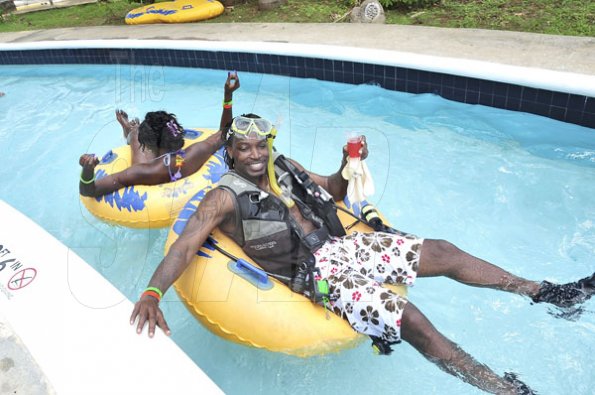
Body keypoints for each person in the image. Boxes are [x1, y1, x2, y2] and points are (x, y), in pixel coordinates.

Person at [130, 114, 595, 394]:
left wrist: (348, 162)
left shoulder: (283, 166)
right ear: (230, 153)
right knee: (408, 317)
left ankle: (547, 293)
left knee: (443, 251)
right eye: (244, 147)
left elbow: (332, 190)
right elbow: (186, 247)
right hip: (316, 274)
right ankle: (501, 387)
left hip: (345, 243)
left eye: (260, 145)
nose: (254, 154)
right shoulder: (222, 198)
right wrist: (152, 292)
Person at [79, 72, 240, 197]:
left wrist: (87, 169)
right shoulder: (194, 154)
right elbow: (224, 133)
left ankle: (131, 130)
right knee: (138, 136)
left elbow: (89, 190)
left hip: (152, 170)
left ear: (148, 145)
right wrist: (228, 96)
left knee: (136, 136)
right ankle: (131, 129)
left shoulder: (141, 172)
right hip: (171, 163)